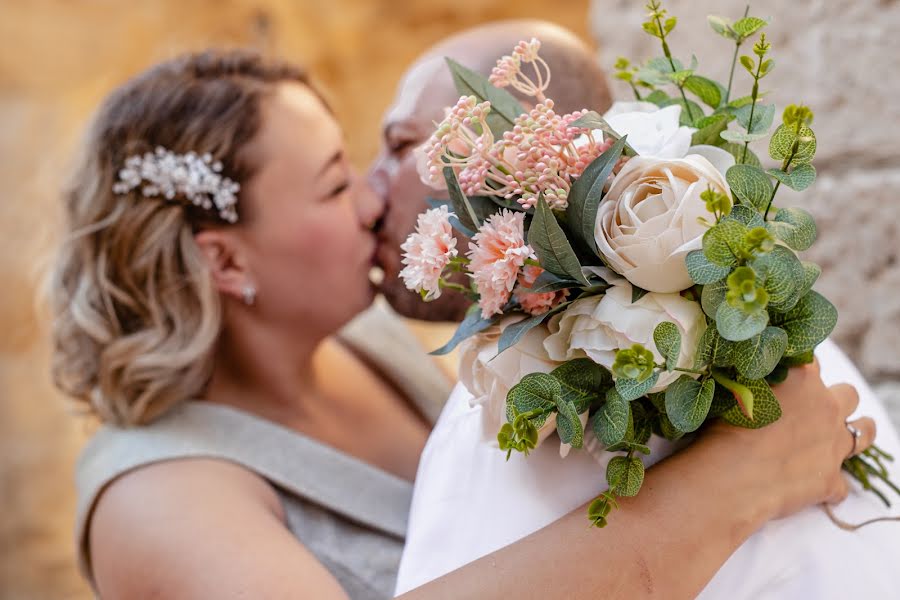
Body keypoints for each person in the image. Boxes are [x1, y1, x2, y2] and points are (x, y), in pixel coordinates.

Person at [52, 48, 871, 600]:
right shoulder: (151, 495)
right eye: (338, 186)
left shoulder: (362, 342)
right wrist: (742, 482)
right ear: (226, 264)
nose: (379, 200)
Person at [368, 21, 900, 599]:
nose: (369, 190)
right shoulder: (804, 358)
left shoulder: (507, 413)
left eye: (398, 145)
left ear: (516, 145)